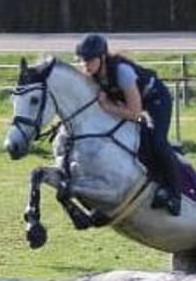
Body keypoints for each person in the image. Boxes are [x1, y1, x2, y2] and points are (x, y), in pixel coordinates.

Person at [75, 33, 182, 216]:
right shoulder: (91, 74)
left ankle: (174, 194)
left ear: (102, 57)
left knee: (157, 143)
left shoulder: (122, 71)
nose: (86, 65)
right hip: (131, 104)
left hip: (155, 99)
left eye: (90, 60)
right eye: (83, 60)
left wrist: (108, 106)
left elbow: (134, 113)